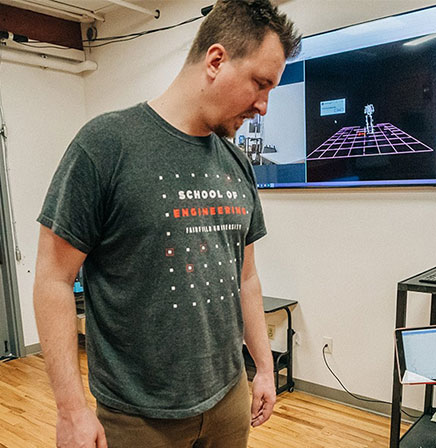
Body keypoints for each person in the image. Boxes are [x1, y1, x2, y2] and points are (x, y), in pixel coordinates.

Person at [32, 1, 300, 447]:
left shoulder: (237, 163)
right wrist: (71, 411)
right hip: (138, 417)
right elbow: (52, 279)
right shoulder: (105, 145)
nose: (264, 106)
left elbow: (246, 278)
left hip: (228, 399)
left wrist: (265, 369)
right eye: (260, 83)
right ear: (216, 61)